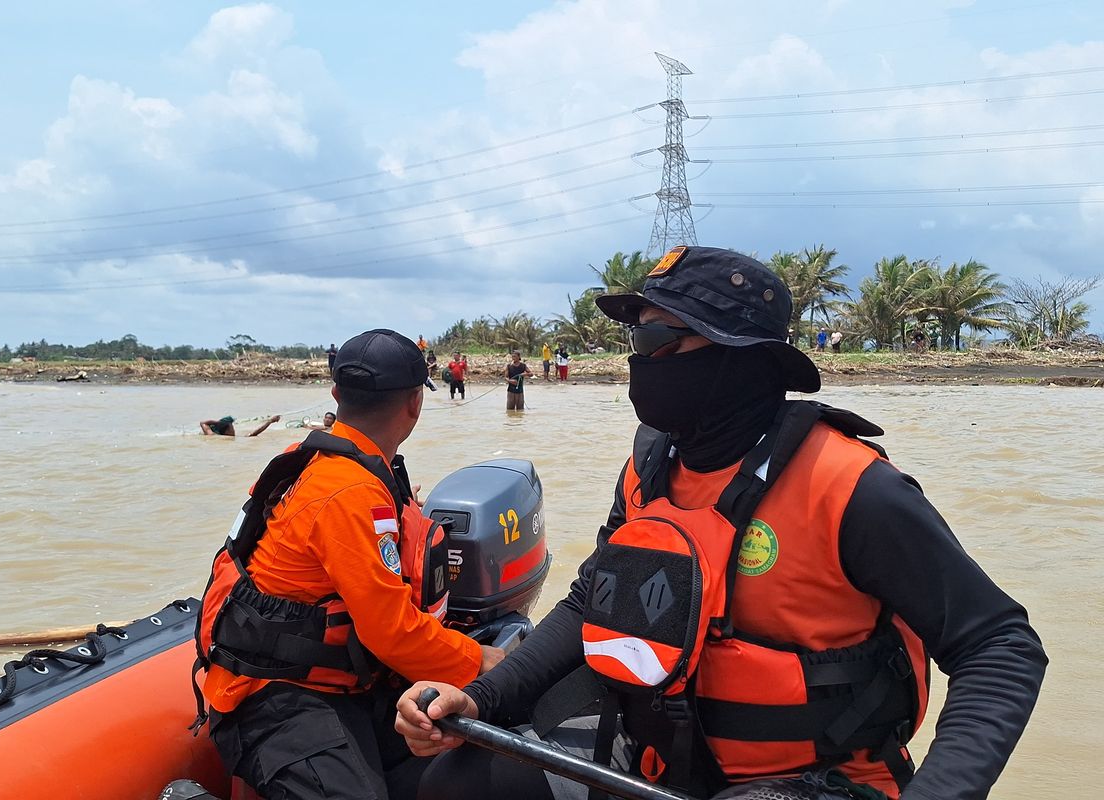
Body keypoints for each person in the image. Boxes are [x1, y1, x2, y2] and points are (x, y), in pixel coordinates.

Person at [396, 247, 1046, 800]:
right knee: (458, 779)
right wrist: (483, 698)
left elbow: (1000, 647)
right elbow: (590, 597)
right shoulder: (650, 469)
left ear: (743, 357)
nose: (640, 362)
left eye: (657, 341)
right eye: (636, 342)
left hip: (809, 782)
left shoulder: (850, 487)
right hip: (654, 759)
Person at [196, 329, 505, 800]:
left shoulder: (310, 459)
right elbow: (391, 632)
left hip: (329, 680)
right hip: (274, 697)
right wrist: (480, 659)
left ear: (337, 393)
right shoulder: (353, 490)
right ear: (415, 403)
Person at [199, 414, 280, 437]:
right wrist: (270, 421)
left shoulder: (213, 435)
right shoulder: (214, 435)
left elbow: (203, 423)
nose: (233, 430)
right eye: (232, 427)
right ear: (227, 430)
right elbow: (254, 434)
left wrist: (270, 421)